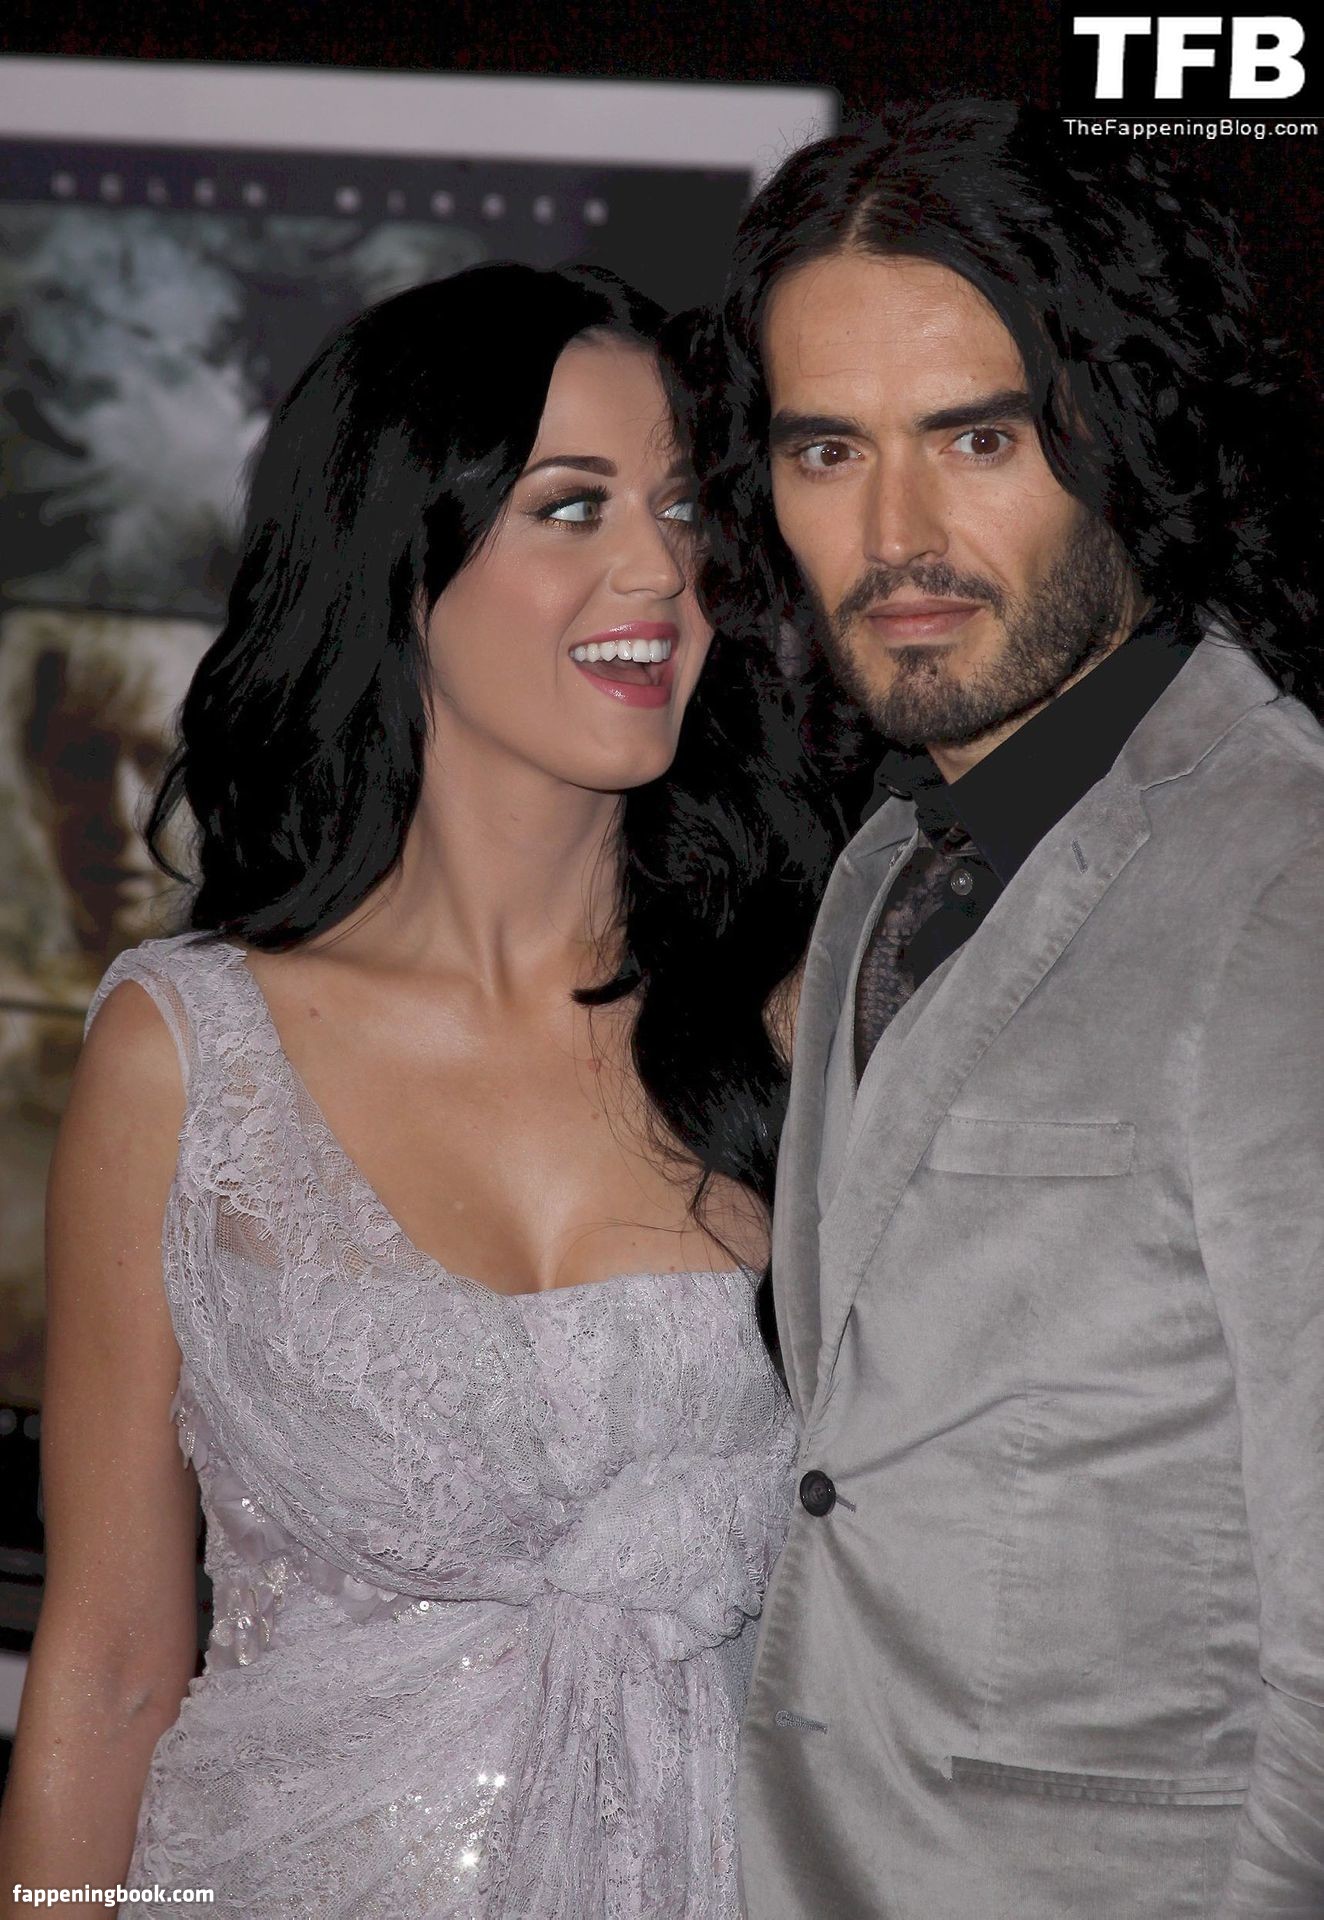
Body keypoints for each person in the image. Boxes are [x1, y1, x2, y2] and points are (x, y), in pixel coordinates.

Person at [0, 262, 843, 1915]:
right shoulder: (187, 1053)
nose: (659, 569)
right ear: (402, 562)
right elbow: (105, 1673)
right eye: (572, 506)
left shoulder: (808, 1025)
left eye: (682, 508)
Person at [683, 100, 1324, 1917]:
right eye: (827, 451)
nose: (897, 535)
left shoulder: (1284, 881)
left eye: (979, 437)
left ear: (1127, 430)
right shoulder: (890, 856)